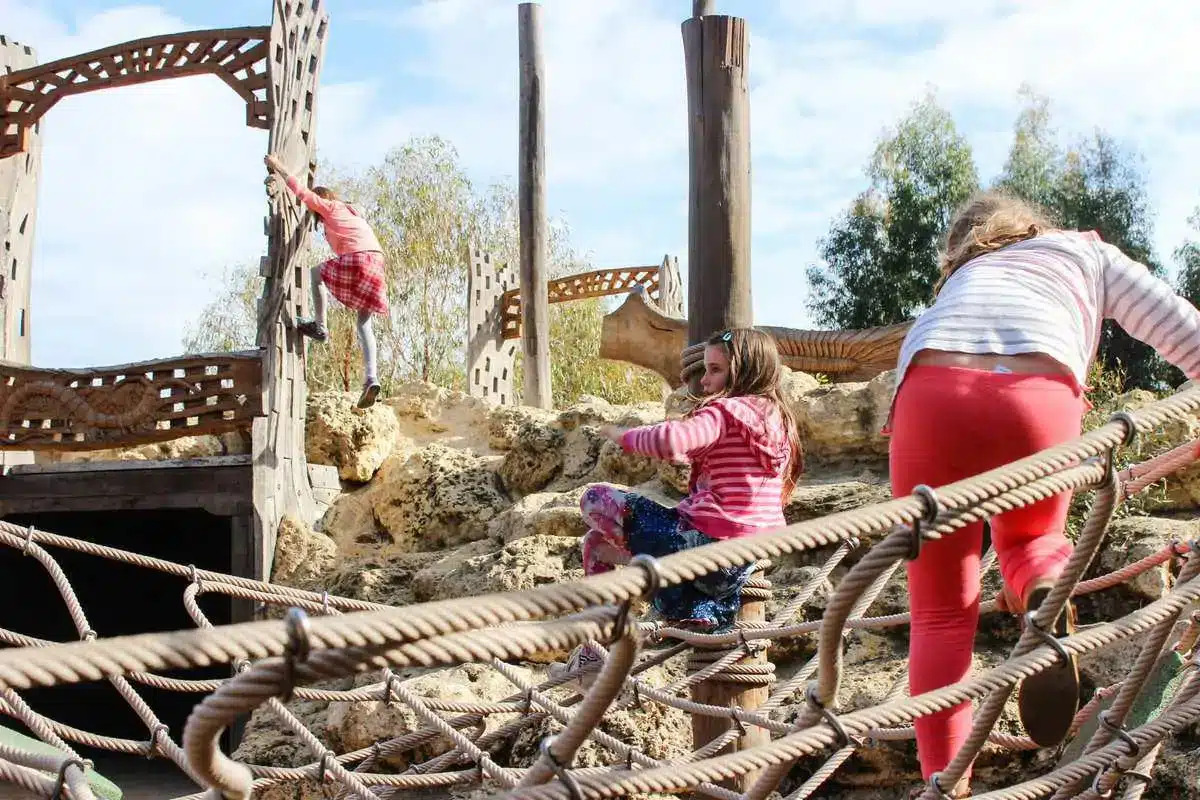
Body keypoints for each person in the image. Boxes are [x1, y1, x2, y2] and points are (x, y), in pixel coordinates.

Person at [887, 191, 1200, 797]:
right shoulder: (1084, 252)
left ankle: (944, 785)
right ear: (1032, 224)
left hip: (930, 389)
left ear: (960, 247)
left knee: (940, 611)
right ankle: (1041, 589)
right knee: (1033, 540)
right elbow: (1182, 328)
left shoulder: (960, 282)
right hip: (1036, 385)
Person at [552, 328, 804, 689]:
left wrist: (621, 435)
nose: (705, 382)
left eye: (715, 370)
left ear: (745, 369)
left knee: (595, 500)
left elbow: (673, 441)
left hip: (704, 552)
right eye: (704, 371)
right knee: (595, 545)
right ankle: (612, 647)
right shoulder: (779, 420)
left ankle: (644, 622)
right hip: (734, 569)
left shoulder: (726, 411)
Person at [264, 154, 389, 408]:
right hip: (377, 262)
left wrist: (277, 165)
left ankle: (320, 327)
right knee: (365, 324)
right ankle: (371, 378)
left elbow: (300, 191)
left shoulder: (329, 207)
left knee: (316, 273)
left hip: (359, 259)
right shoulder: (353, 212)